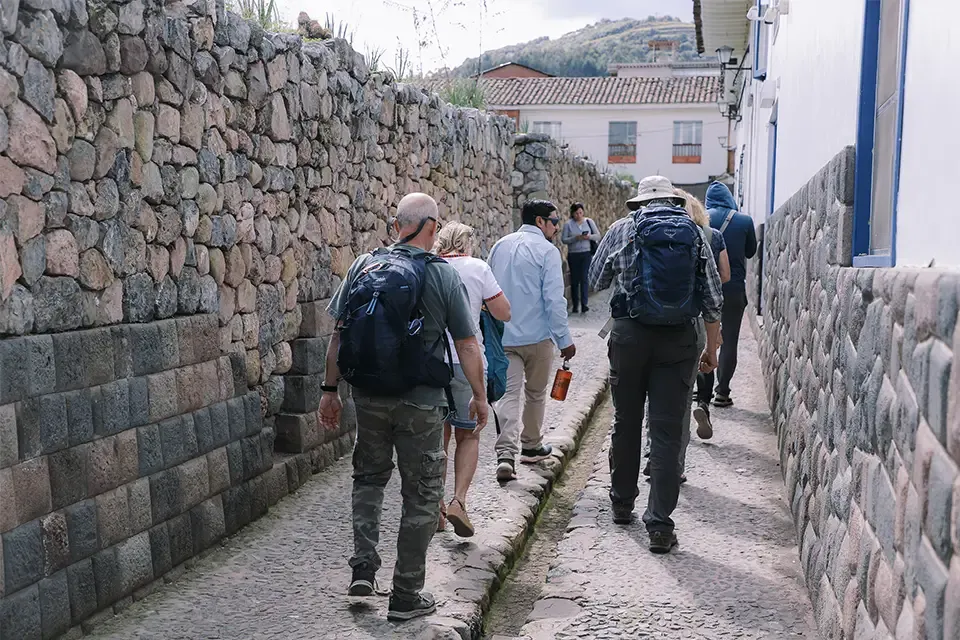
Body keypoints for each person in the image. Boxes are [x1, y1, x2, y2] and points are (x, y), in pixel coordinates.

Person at [319, 193, 490, 622]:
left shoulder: (363, 265)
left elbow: (338, 335)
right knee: (422, 492)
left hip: (369, 396)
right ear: (432, 227)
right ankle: (406, 593)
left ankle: (363, 569)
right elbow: (468, 344)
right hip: (421, 401)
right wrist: (480, 396)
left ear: (397, 225)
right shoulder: (441, 274)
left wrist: (329, 391)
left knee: (368, 479)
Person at [588, 176, 723, 554]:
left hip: (629, 336)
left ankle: (621, 502)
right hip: (678, 340)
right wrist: (711, 348)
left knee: (626, 421)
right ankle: (660, 525)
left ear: (639, 203)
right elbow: (713, 298)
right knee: (665, 432)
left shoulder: (621, 229)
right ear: (673, 200)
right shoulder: (695, 234)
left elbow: (595, 279)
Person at [487, 199, 577, 482]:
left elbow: (489, 291)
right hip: (537, 337)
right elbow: (554, 299)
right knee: (535, 393)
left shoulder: (499, 246)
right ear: (540, 221)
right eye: (554, 221)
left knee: (508, 395)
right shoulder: (547, 252)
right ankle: (531, 444)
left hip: (504, 335)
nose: (556, 227)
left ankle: (505, 454)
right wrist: (565, 339)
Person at [434, 222, 512, 538]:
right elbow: (504, 312)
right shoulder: (478, 268)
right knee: (469, 435)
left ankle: (436, 508)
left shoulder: (429, 266)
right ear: (468, 244)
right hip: (468, 363)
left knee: (437, 438)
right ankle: (459, 501)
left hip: (431, 364)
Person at [705, 181, 758, 408]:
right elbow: (751, 251)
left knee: (704, 338)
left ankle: (702, 391)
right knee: (729, 341)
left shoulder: (700, 219)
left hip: (706, 288)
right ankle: (722, 392)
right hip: (733, 289)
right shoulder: (744, 221)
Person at [561, 202, 601, 313]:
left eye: (580, 212)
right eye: (576, 213)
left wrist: (588, 237)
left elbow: (598, 235)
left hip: (586, 253)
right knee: (574, 280)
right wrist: (576, 238)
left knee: (584, 278)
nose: (579, 215)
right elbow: (564, 239)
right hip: (573, 254)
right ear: (572, 214)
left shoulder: (589, 222)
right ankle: (575, 305)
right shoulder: (568, 224)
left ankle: (584, 304)